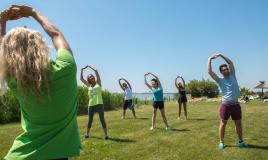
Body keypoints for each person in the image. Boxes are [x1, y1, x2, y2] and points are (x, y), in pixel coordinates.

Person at [0, 5, 80, 160]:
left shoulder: (15, 82)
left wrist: (2, 20)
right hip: (58, 154)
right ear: (40, 46)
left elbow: (2, 50)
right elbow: (56, 34)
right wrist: (34, 13)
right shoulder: (67, 68)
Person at [208, 53, 248, 149]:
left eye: (227, 69)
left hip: (236, 105)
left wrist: (221, 55)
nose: (227, 70)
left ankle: (240, 141)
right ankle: (221, 142)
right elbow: (210, 72)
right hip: (226, 105)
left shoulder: (233, 75)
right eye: (224, 70)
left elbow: (231, 63)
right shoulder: (219, 80)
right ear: (221, 72)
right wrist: (210, 59)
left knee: (238, 124)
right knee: (223, 124)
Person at [80, 65, 109, 140]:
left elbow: (96, 71)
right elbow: (81, 79)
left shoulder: (98, 83)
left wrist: (89, 66)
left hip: (99, 104)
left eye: (92, 76)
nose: (91, 77)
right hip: (91, 105)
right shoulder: (88, 85)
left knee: (102, 119)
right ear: (89, 79)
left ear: (94, 77)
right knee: (90, 120)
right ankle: (87, 134)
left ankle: (106, 135)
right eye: (90, 77)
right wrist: (82, 70)